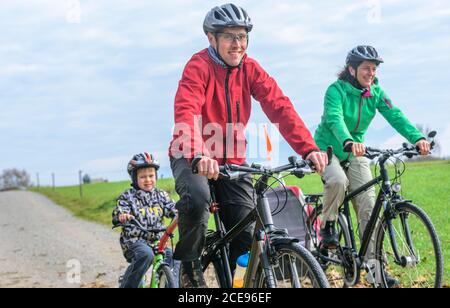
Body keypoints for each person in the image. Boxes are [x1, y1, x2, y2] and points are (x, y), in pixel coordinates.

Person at [168, 3, 328, 288]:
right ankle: (189, 267)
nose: (238, 44)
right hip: (192, 155)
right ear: (211, 39)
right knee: (197, 198)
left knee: (246, 234)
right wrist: (197, 154)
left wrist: (308, 147)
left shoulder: (251, 69)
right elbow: (187, 110)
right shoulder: (198, 66)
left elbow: (279, 106)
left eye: (243, 37)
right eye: (230, 36)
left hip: (232, 163)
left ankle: (241, 285)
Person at [314, 45, 430, 286]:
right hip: (328, 148)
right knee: (337, 180)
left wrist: (417, 137)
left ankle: (376, 272)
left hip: (356, 149)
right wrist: (346, 140)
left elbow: (395, 115)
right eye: (366, 68)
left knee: (368, 207)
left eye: (374, 69)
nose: (371, 73)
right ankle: (327, 225)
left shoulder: (375, 92)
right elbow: (334, 117)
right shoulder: (335, 91)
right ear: (351, 69)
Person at [112, 152, 177, 288]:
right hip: (135, 241)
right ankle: (128, 284)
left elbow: (172, 208)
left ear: (156, 176)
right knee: (146, 255)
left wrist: (182, 212)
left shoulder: (161, 195)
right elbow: (119, 210)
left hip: (159, 241)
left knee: (174, 258)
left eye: (151, 175)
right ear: (135, 178)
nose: (148, 180)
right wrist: (122, 215)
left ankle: (170, 284)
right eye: (142, 177)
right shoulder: (128, 196)